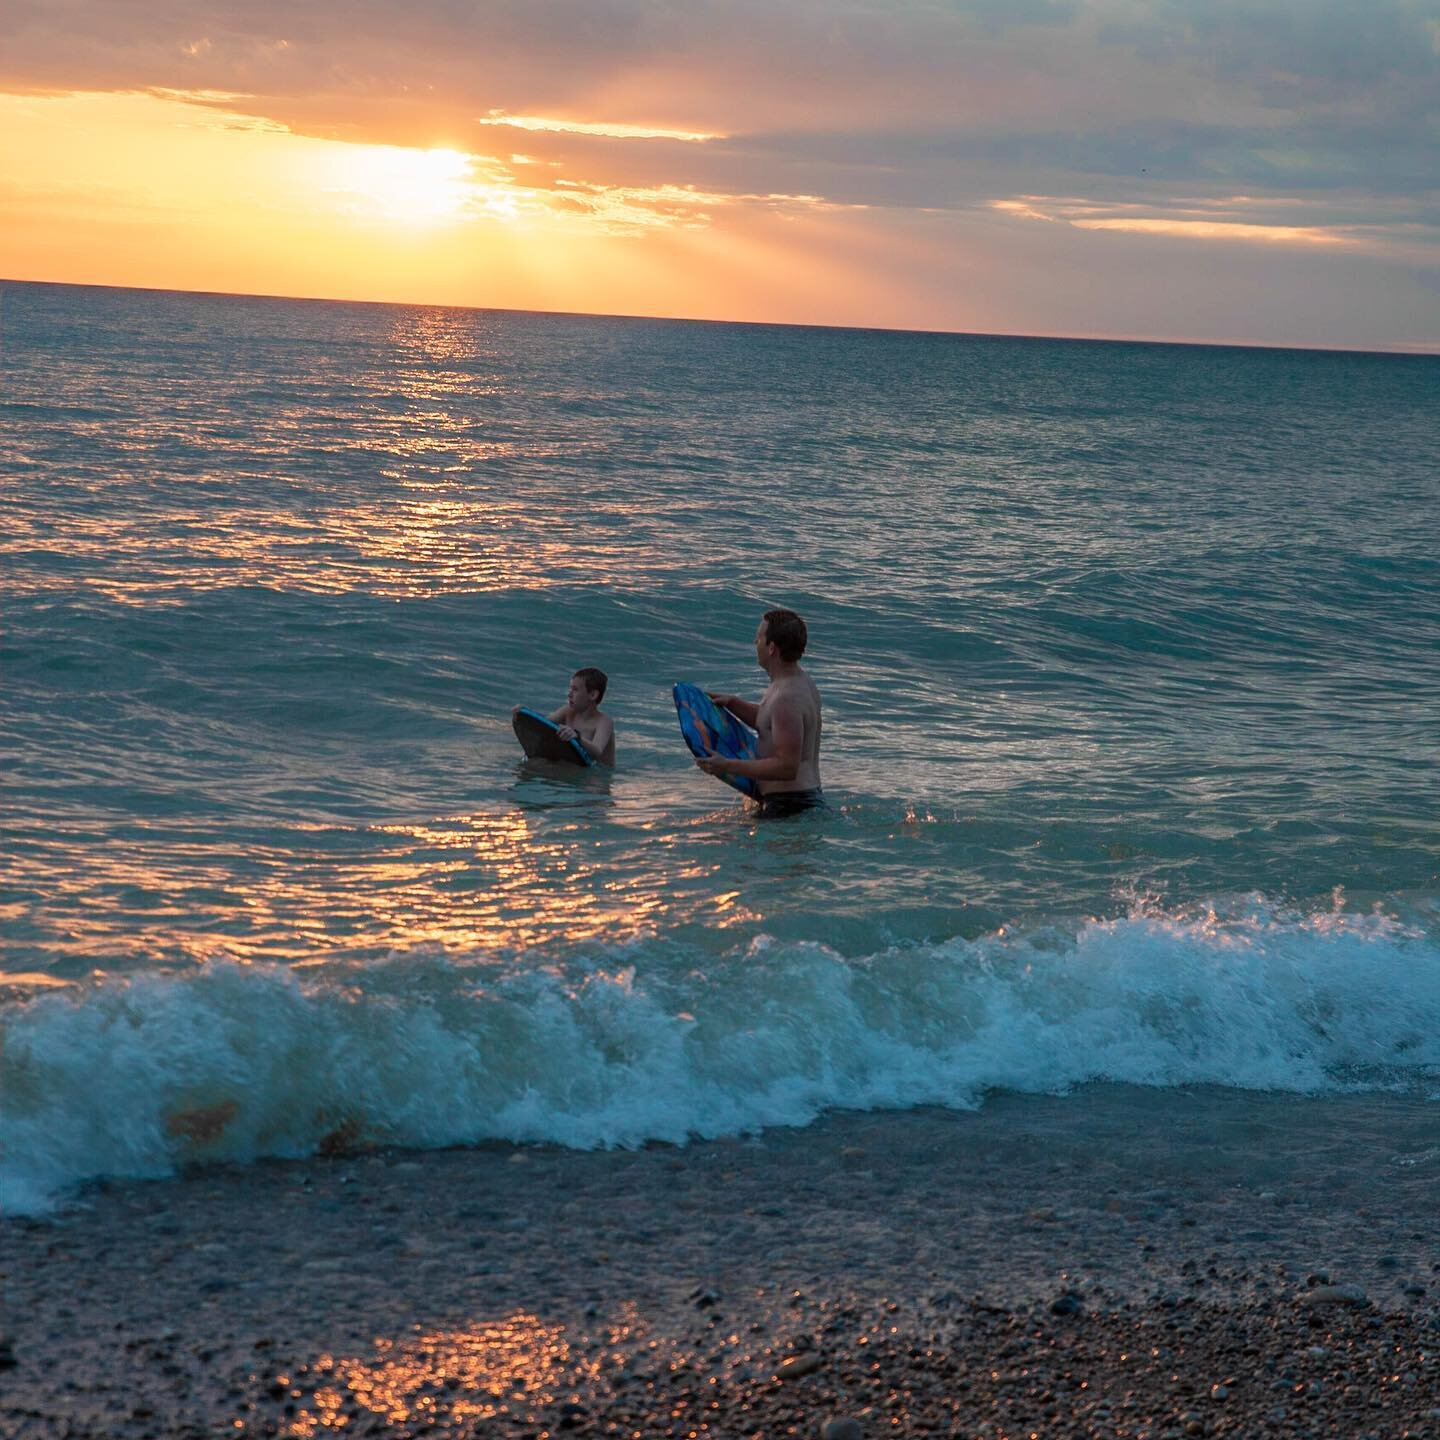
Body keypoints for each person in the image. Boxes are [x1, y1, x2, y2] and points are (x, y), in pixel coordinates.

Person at [699, 608, 824, 816]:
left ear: (772, 648)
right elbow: (773, 724)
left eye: (758, 638)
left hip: (790, 807)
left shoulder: (786, 697)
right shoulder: (798, 683)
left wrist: (728, 766)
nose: (754, 644)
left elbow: (787, 767)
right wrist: (733, 703)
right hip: (797, 802)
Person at [523, 667, 616, 765]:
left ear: (592, 695)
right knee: (532, 764)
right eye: (570, 688)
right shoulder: (568, 711)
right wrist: (523, 713)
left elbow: (597, 750)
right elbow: (543, 725)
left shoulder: (604, 721)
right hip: (580, 767)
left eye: (575, 690)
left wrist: (577, 737)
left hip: (600, 774)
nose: (569, 694)